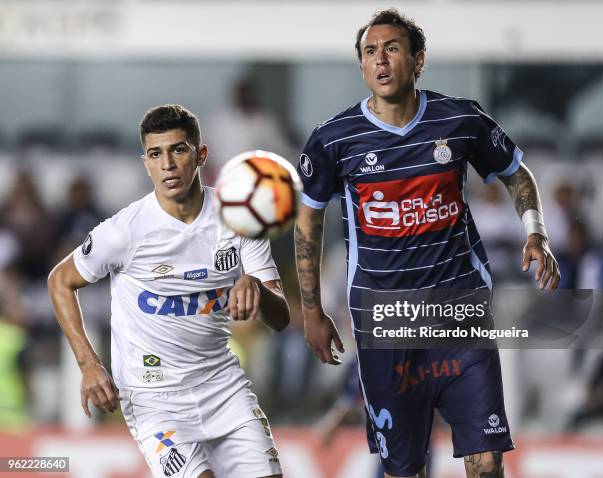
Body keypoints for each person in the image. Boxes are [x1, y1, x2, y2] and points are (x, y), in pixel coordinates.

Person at [294, 9, 560, 478]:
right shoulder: (333, 140)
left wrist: (535, 232)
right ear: (361, 65)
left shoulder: (459, 118)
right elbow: (307, 226)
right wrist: (313, 312)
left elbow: (517, 174)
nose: (380, 60)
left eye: (392, 49)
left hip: (460, 310)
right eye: (370, 52)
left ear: (418, 60)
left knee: (486, 461)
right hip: (385, 321)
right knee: (405, 469)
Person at [48, 104, 288, 478]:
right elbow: (60, 280)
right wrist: (88, 364)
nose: (168, 164)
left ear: (200, 154)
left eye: (178, 149)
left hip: (222, 386)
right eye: (156, 154)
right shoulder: (125, 230)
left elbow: (281, 318)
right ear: (145, 163)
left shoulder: (239, 219)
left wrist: (255, 286)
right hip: (154, 398)